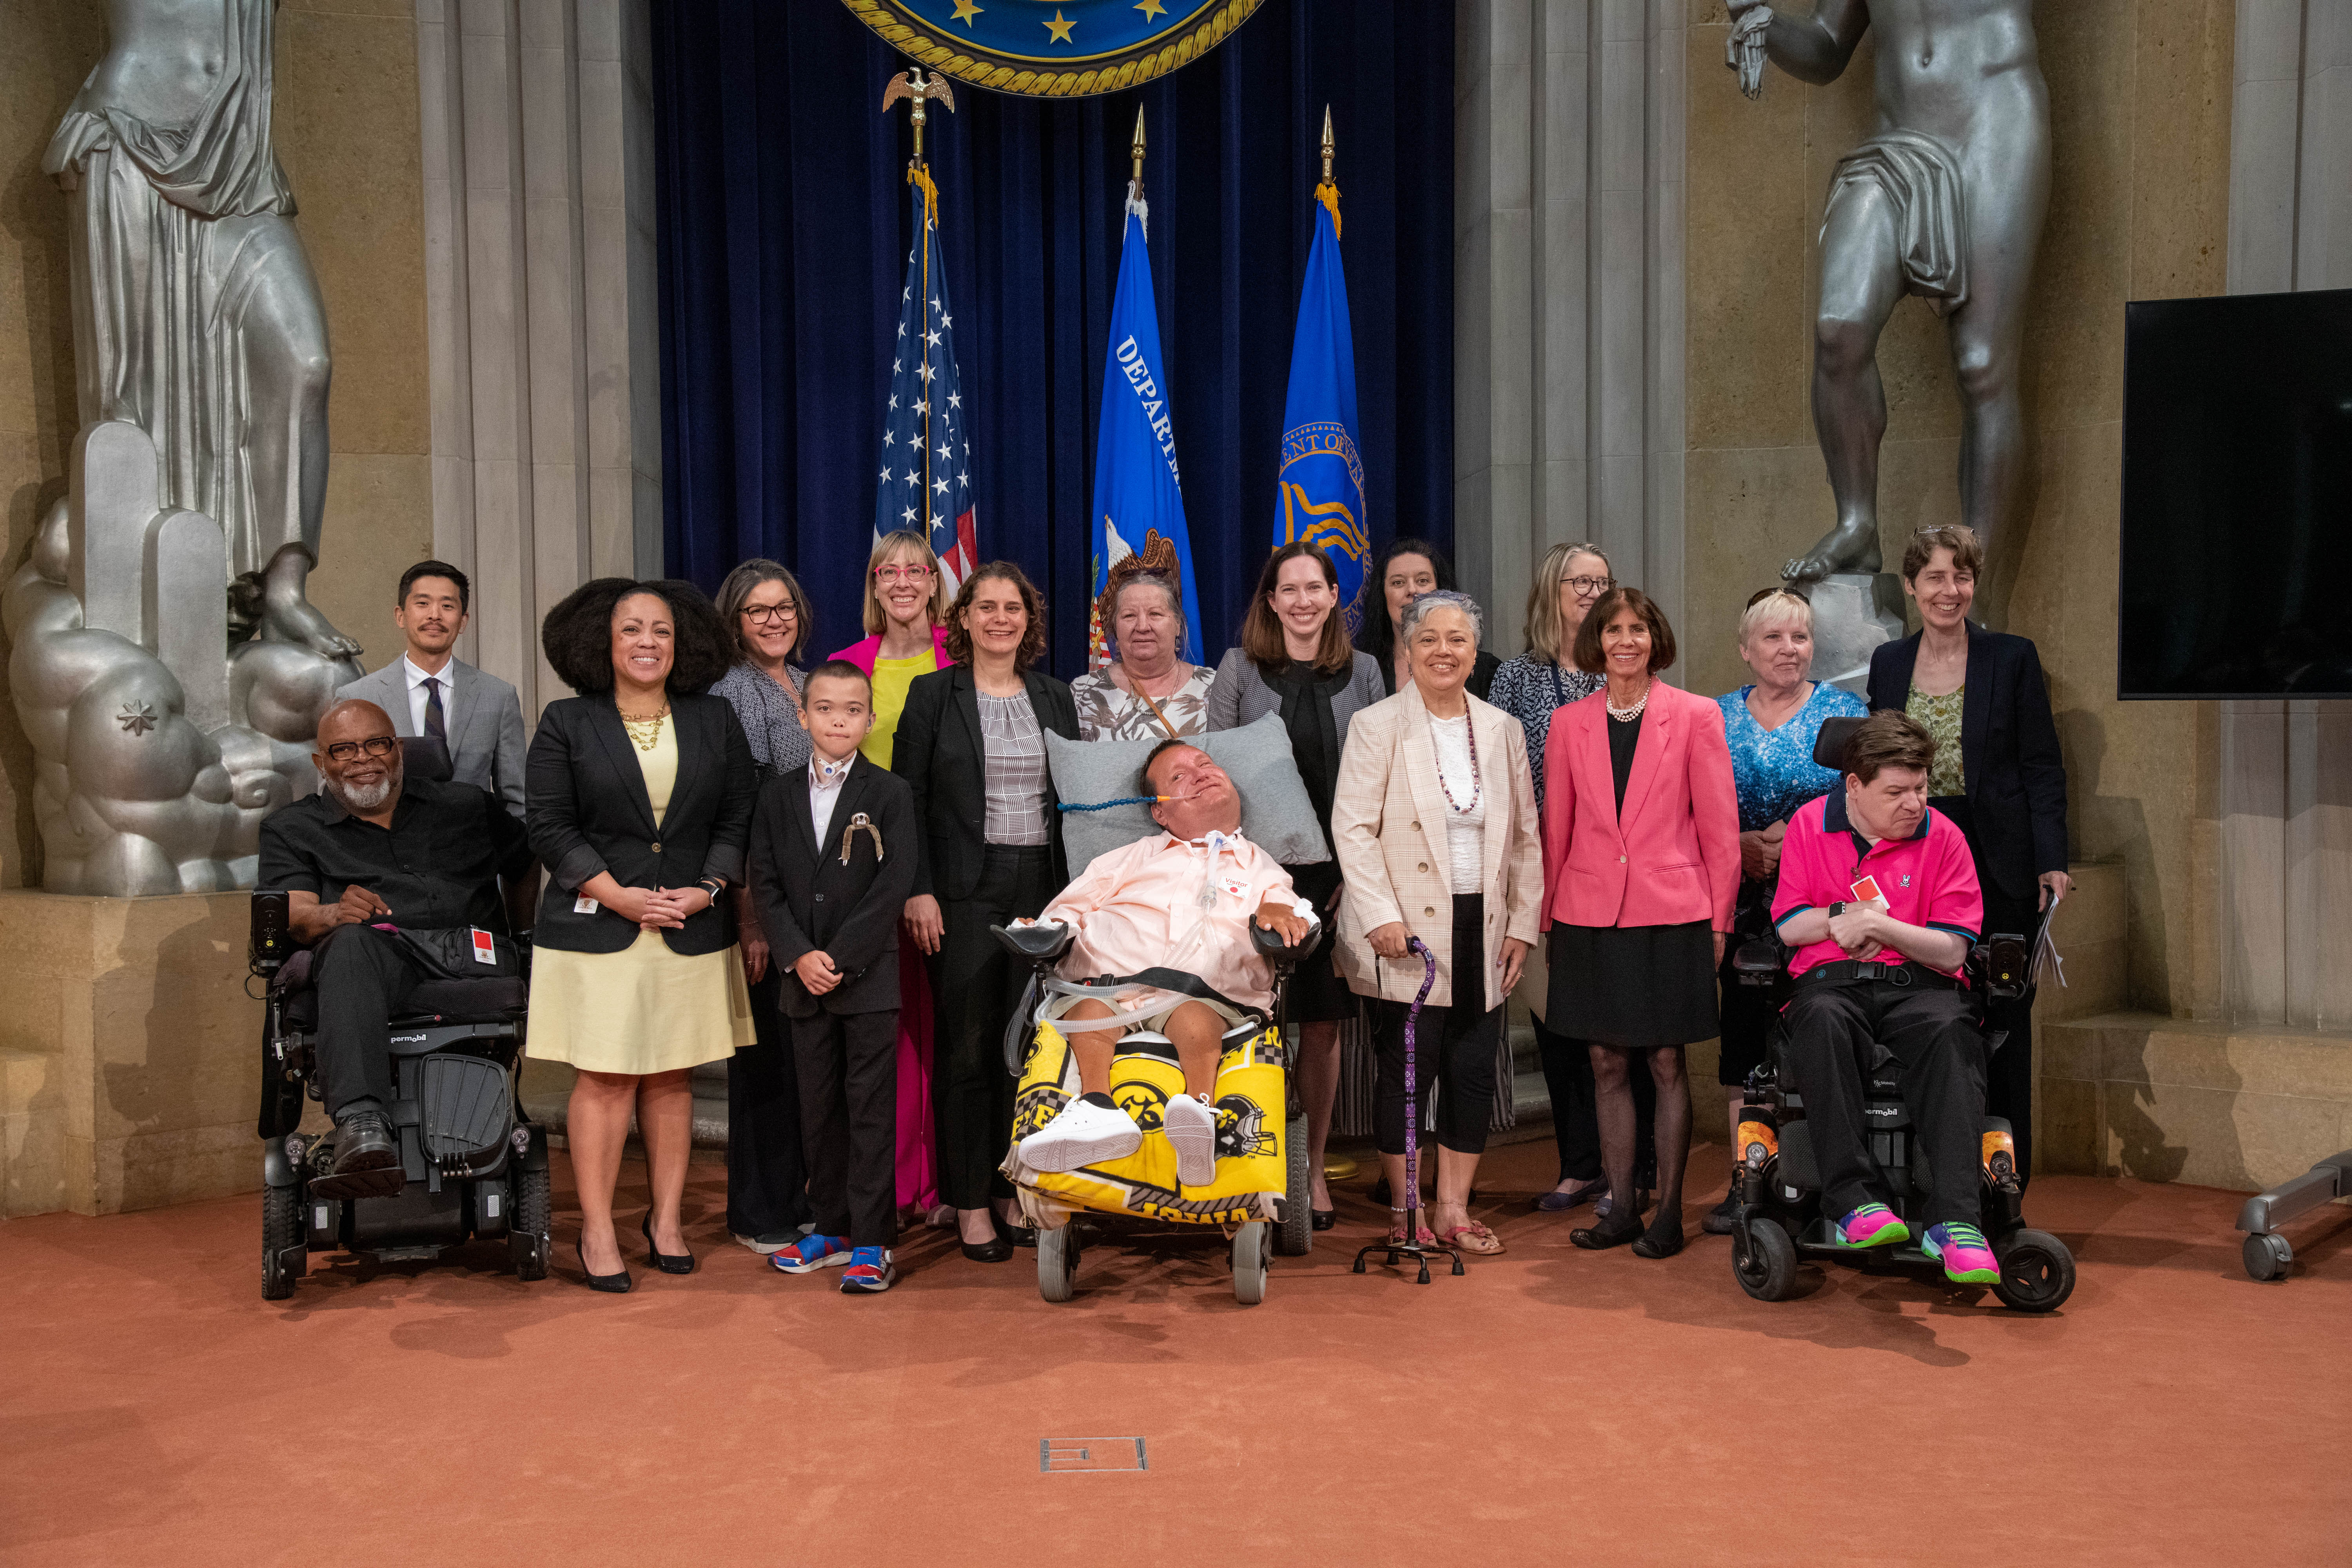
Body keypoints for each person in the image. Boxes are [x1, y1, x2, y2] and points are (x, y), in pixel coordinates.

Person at [524, 578, 757, 1293]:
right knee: (604, 1077)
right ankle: (597, 1230)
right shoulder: (567, 721)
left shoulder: (715, 718)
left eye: (661, 630)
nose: (647, 642)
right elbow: (549, 825)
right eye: (631, 629)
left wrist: (709, 888)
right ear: (605, 640)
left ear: (681, 643)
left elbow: (738, 817)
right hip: (598, 928)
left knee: (671, 1074)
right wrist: (616, 895)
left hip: (690, 924)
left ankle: (667, 1222)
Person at [1332, 591, 1542, 1256]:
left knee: (1473, 1069)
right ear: (1408, 649)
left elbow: (1526, 838)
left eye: (1458, 640)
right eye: (1429, 639)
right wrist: (1380, 916)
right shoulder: (1376, 725)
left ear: (1475, 653)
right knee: (1407, 1074)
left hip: (1484, 922)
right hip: (1407, 929)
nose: (1444, 651)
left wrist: (1523, 925)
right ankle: (1407, 1211)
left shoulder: (1503, 729)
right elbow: (1353, 829)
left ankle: (1453, 1209)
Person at [257, 699, 535, 1198]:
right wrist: (333, 913)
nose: (363, 759)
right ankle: (362, 1124)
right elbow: (294, 910)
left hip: (467, 959)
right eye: (344, 750)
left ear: (398, 750)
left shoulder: (467, 805)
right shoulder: (293, 828)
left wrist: (523, 935)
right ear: (321, 763)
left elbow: (524, 861)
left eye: (376, 744)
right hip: (375, 965)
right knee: (348, 943)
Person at [1768, 710, 2001, 1285]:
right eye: (1897, 792)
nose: (1914, 803)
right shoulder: (1809, 825)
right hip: (1831, 983)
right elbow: (1790, 926)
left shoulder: (1944, 836)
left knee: (1952, 1032)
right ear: (1855, 785)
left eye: (1921, 788)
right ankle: (1854, 1203)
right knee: (1821, 1020)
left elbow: (1951, 950)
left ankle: (1957, 1223)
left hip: (1921, 983)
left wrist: (1880, 927)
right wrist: (1843, 916)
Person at [1866, 523, 2068, 1183]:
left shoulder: (2012, 657)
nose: (1949, 590)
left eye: (1962, 576)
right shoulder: (1889, 663)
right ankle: (1932, 1173)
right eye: (1935, 577)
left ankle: (2005, 1177)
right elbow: (1875, 766)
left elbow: (2042, 766)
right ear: (1910, 586)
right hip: (1916, 861)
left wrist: (2052, 859)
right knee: (1926, 1007)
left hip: (2001, 862)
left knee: (2005, 1014)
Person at [1013, 742, 1316, 1180]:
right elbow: (1069, 908)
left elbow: (1293, 913)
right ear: (1160, 811)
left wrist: (1277, 911)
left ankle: (1198, 1114)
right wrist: (1043, 927)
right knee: (1089, 1012)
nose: (1200, 773)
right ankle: (1097, 1107)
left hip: (1202, 995)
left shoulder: (1258, 866)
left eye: (1206, 764)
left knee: (1194, 1019)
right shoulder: (1129, 858)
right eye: (1179, 776)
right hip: (1109, 987)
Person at [1541, 586, 1739, 1258]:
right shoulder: (1568, 723)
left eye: (1638, 629)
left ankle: (1669, 1212)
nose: (1626, 641)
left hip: (1673, 912)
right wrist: (1548, 918)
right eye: (1613, 630)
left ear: (1656, 640)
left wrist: (1720, 919)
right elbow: (1557, 828)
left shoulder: (1696, 715)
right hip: (1587, 912)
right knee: (1604, 1061)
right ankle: (1622, 1207)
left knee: (1665, 1060)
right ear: (1596, 642)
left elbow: (1720, 830)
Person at [893, 562, 1080, 1261]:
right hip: (963, 891)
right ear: (964, 619)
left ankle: (1011, 1192)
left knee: (1027, 1049)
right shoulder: (931, 695)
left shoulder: (1055, 697)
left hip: (1042, 886)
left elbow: (1075, 799)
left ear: (1029, 622)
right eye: (987, 607)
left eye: (1014, 609)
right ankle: (970, 1202)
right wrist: (918, 888)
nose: (1001, 619)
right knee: (968, 1049)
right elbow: (907, 798)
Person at [1205, 543, 1386, 1228]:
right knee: (1256, 1020)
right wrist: (1247, 879)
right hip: (1256, 880)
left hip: (1338, 878)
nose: (1304, 600)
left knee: (1321, 1024)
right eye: (1290, 589)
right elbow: (1214, 775)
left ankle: (1309, 1170)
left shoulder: (1366, 672)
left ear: (1336, 596)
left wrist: (1354, 875)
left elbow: (1381, 777)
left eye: (1316, 588)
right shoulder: (1239, 670)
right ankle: (1255, 1167)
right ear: (1272, 601)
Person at [1485, 541, 1654, 1218]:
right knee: (1557, 1026)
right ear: (1551, 591)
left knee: (1622, 1029)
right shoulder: (1515, 678)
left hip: (1620, 875)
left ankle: (1635, 1168)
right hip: (1539, 870)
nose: (1591, 592)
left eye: (1601, 582)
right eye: (1579, 582)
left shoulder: (1625, 670)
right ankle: (1580, 1165)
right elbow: (1499, 772)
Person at [749, 662, 918, 1295]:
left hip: (867, 981)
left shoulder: (891, 793)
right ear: (803, 716)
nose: (838, 720)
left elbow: (893, 885)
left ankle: (872, 1240)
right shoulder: (777, 796)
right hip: (803, 981)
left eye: (852, 710)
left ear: (869, 720)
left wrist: (840, 957)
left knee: (869, 1111)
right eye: (824, 708)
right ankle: (830, 1226)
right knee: (818, 1110)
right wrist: (798, 955)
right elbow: (765, 882)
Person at [1704, 587, 1867, 1234]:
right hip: (1739, 902)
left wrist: (1795, 839)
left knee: (1820, 1035)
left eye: (1800, 637)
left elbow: (1868, 805)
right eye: (1773, 637)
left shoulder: (1846, 714)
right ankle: (1747, 1182)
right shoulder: (1713, 716)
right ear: (1746, 649)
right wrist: (1740, 844)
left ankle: (1826, 1181)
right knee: (1744, 1044)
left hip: (1823, 900)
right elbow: (1689, 806)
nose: (1788, 649)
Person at [833, 530, 955, 1224]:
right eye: (889, 571)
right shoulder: (848, 666)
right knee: (887, 1032)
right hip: (864, 871)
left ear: (936, 584)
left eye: (917, 570)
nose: (903, 581)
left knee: (947, 1029)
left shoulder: (963, 656)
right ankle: (896, 1187)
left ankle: (947, 1183)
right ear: (874, 584)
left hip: (949, 869)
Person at [708, 558, 818, 1253]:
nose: (774, 621)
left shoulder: (808, 684)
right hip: (764, 901)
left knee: (801, 1059)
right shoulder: (733, 693)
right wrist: (751, 922)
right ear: (736, 621)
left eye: (784, 608)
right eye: (758, 610)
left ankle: (799, 1196)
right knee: (765, 1064)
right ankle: (758, 1211)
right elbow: (741, 816)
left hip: (812, 899)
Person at [336, 561, 529, 815]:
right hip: (383, 838)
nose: (435, 615)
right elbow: (337, 794)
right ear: (400, 616)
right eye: (423, 603)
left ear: (463, 621)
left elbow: (517, 799)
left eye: (447, 606)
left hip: (472, 837)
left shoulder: (498, 696)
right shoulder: (357, 697)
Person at [1070, 570, 1216, 740]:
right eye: (1129, 615)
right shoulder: (1082, 693)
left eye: (1155, 614)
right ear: (1115, 628)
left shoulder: (1215, 687)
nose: (1142, 627)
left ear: (1178, 625)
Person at [1361, 538, 1502, 701]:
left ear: (1441, 589)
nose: (1412, 590)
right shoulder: (1361, 670)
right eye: (1398, 582)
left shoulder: (1488, 671)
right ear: (1382, 594)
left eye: (1423, 581)